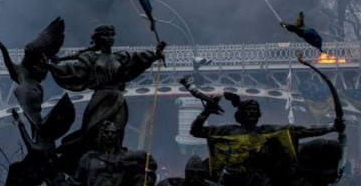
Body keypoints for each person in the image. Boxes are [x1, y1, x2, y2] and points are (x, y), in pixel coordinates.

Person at [47, 24, 165, 171]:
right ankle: (89, 164)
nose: (109, 38)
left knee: (117, 132)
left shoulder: (121, 57)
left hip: (118, 100)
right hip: (100, 100)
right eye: (105, 35)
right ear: (98, 39)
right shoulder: (90, 58)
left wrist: (155, 54)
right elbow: (74, 72)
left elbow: (138, 59)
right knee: (92, 134)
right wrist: (51, 66)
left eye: (112, 35)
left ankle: (114, 165)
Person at [190, 92, 343, 185]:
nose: (252, 113)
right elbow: (196, 131)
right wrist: (206, 112)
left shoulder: (267, 131)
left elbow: (301, 130)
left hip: (261, 180)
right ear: (241, 114)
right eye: (249, 110)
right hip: (234, 179)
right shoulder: (228, 131)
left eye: (255, 110)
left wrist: (331, 127)